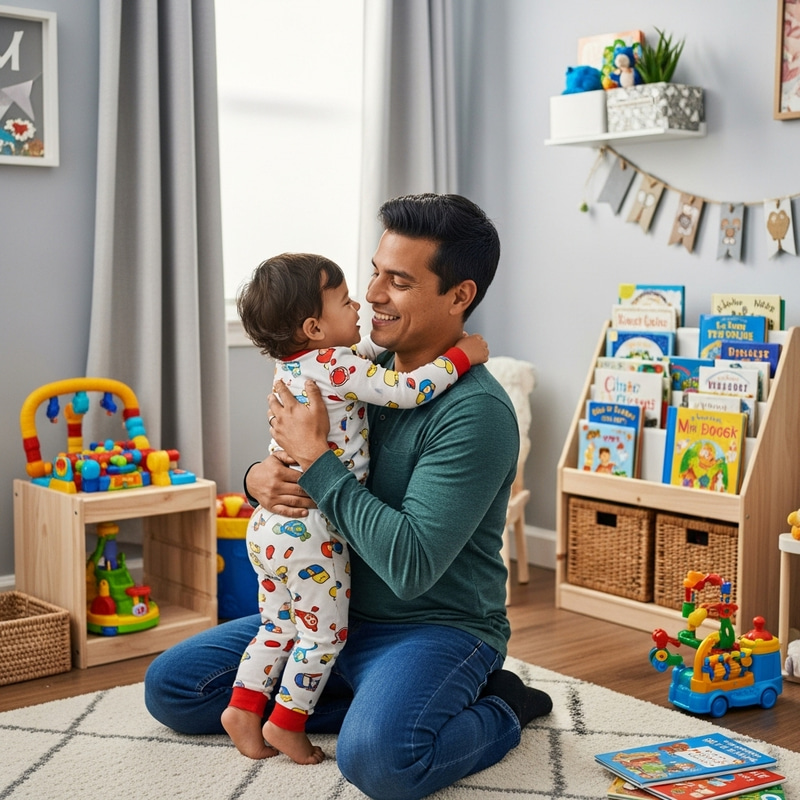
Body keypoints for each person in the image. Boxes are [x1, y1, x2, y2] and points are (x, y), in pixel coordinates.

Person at [144, 193, 552, 800]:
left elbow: (410, 566)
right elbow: (292, 449)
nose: (375, 294)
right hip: (331, 602)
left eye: (400, 281)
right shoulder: (353, 365)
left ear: (459, 296)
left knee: (382, 761)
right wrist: (262, 478)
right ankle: (359, 696)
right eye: (374, 272)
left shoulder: (477, 414)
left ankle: (503, 707)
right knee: (174, 687)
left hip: (433, 626)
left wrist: (316, 463)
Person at [222, 252, 488, 764]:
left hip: (270, 531)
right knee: (323, 637)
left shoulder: (297, 361)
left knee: (277, 627)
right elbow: (409, 390)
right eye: (347, 299)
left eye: (396, 280)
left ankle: (244, 705)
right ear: (314, 326)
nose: (364, 301)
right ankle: (286, 723)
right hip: (311, 533)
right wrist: (462, 356)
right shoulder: (340, 366)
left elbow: (353, 364)